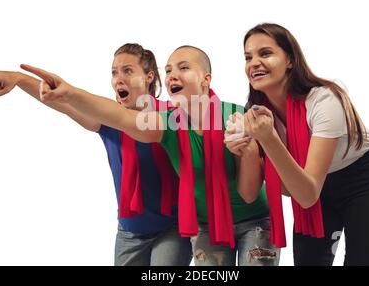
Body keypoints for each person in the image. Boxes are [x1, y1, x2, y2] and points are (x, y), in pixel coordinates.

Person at [17, 45, 280, 266]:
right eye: (169, 70)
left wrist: (248, 150)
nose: (172, 75)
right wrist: (69, 92)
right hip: (202, 226)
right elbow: (119, 116)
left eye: (183, 68)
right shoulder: (166, 123)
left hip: (253, 221)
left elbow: (248, 193)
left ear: (206, 79)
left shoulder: (234, 116)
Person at [0, 43, 192, 266]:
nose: (119, 78)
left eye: (128, 71)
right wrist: (19, 79)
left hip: (172, 227)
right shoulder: (106, 118)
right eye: (114, 72)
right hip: (130, 230)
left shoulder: (171, 116)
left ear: (149, 77)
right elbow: (61, 102)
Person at [226, 23, 369, 266]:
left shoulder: (325, 99)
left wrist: (268, 139)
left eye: (265, 53)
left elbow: (306, 195)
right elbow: (251, 193)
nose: (253, 63)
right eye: (248, 57)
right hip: (312, 187)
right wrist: (249, 152)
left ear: (291, 60)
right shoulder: (256, 117)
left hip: (362, 179)